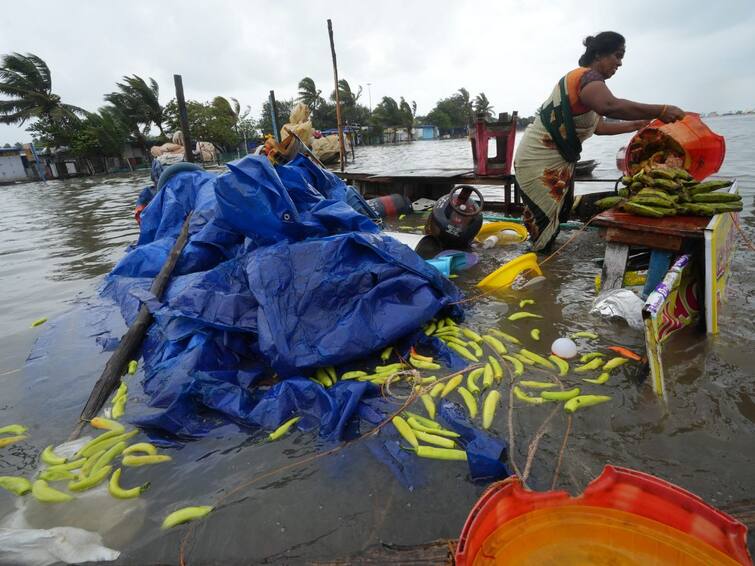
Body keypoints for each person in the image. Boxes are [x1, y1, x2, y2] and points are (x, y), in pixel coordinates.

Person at [514, 31, 685, 252]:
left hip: (555, 163)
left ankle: (547, 269)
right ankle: (534, 270)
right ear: (598, 54)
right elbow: (611, 106)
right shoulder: (586, 78)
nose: (620, 63)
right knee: (543, 222)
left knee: (553, 219)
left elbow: (600, 127)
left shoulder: (592, 86)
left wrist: (637, 125)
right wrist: (661, 109)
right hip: (536, 161)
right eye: (617, 55)